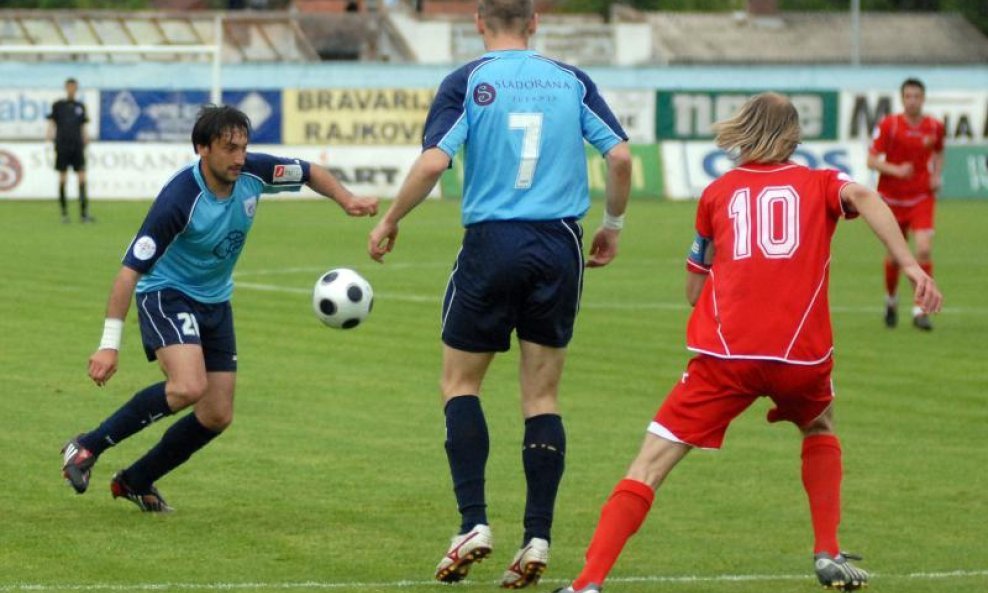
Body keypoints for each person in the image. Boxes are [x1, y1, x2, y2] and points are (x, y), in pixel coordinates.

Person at [555, 93, 942, 593]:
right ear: (793, 136)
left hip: (727, 357)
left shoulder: (717, 194)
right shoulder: (821, 182)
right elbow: (866, 196)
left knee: (649, 464)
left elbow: (694, 291)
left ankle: (588, 582)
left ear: (743, 130)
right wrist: (909, 265)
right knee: (820, 422)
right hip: (800, 356)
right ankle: (826, 549)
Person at [367, 0, 632, 587]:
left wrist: (390, 218)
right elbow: (619, 155)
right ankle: (537, 536)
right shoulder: (571, 80)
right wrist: (613, 227)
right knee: (542, 397)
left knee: (460, 383)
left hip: (492, 241)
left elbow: (435, 162)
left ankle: (473, 523)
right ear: (535, 23)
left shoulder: (468, 80)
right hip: (560, 244)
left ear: (479, 24)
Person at [61, 105, 378, 512]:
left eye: (243, 147)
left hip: (215, 300)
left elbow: (310, 171)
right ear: (202, 149)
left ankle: (136, 480)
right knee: (187, 387)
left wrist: (346, 199)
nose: (239, 157)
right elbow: (128, 272)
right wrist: (109, 344)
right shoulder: (179, 199)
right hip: (167, 293)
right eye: (229, 148)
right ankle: (86, 446)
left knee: (216, 414)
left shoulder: (253, 172)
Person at [867, 78, 945, 331]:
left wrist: (936, 175)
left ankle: (920, 309)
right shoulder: (889, 125)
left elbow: (940, 151)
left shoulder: (934, 126)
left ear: (923, 98)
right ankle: (891, 300)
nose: (912, 100)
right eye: (908, 96)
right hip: (891, 200)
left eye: (916, 96)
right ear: (902, 99)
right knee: (895, 256)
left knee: (923, 249)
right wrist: (896, 170)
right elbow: (871, 160)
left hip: (921, 196)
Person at [47, 77, 92, 223]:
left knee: (82, 178)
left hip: (77, 146)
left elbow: (83, 125)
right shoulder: (58, 105)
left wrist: (85, 137)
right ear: (66, 88)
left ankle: (83, 213)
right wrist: (49, 133)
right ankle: (64, 213)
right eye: (70, 87)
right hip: (62, 145)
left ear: (76, 88)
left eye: (74, 87)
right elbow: (52, 122)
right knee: (63, 178)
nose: (72, 89)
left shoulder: (80, 106)